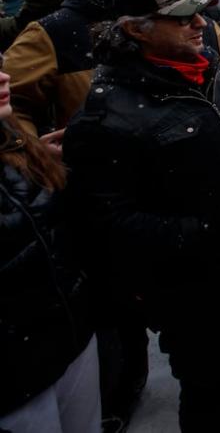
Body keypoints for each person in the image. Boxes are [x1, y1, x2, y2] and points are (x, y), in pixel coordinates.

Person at [64, 0, 220, 432]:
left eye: (198, 12)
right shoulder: (107, 117)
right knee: (217, 404)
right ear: (135, 30)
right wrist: (206, 233)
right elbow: (105, 226)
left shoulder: (206, 73)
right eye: (181, 18)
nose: (200, 25)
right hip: (200, 302)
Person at [0, 66, 100, 433]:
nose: (4, 76)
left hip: (68, 339)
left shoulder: (12, 139)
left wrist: (39, 173)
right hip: (17, 382)